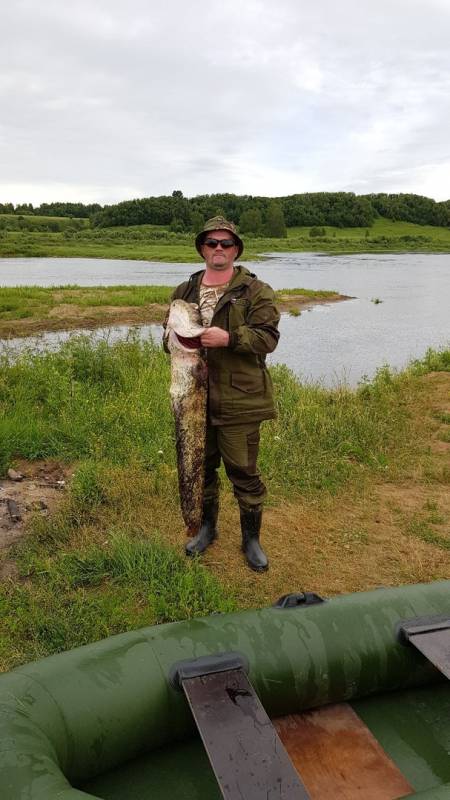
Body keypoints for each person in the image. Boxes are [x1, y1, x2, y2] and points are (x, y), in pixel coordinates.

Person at [165, 216, 280, 571]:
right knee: (202, 467)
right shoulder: (184, 291)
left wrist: (229, 338)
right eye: (212, 243)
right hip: (193, 399)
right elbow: (168, 338)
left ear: (236, 250)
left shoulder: (255, 291)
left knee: (243, 471)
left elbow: (268, 338)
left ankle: (251, 539)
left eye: (225, 243)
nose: (218, 248)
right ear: (202, 248)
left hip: (239, 399)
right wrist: (171, 342)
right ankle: (207, 529)